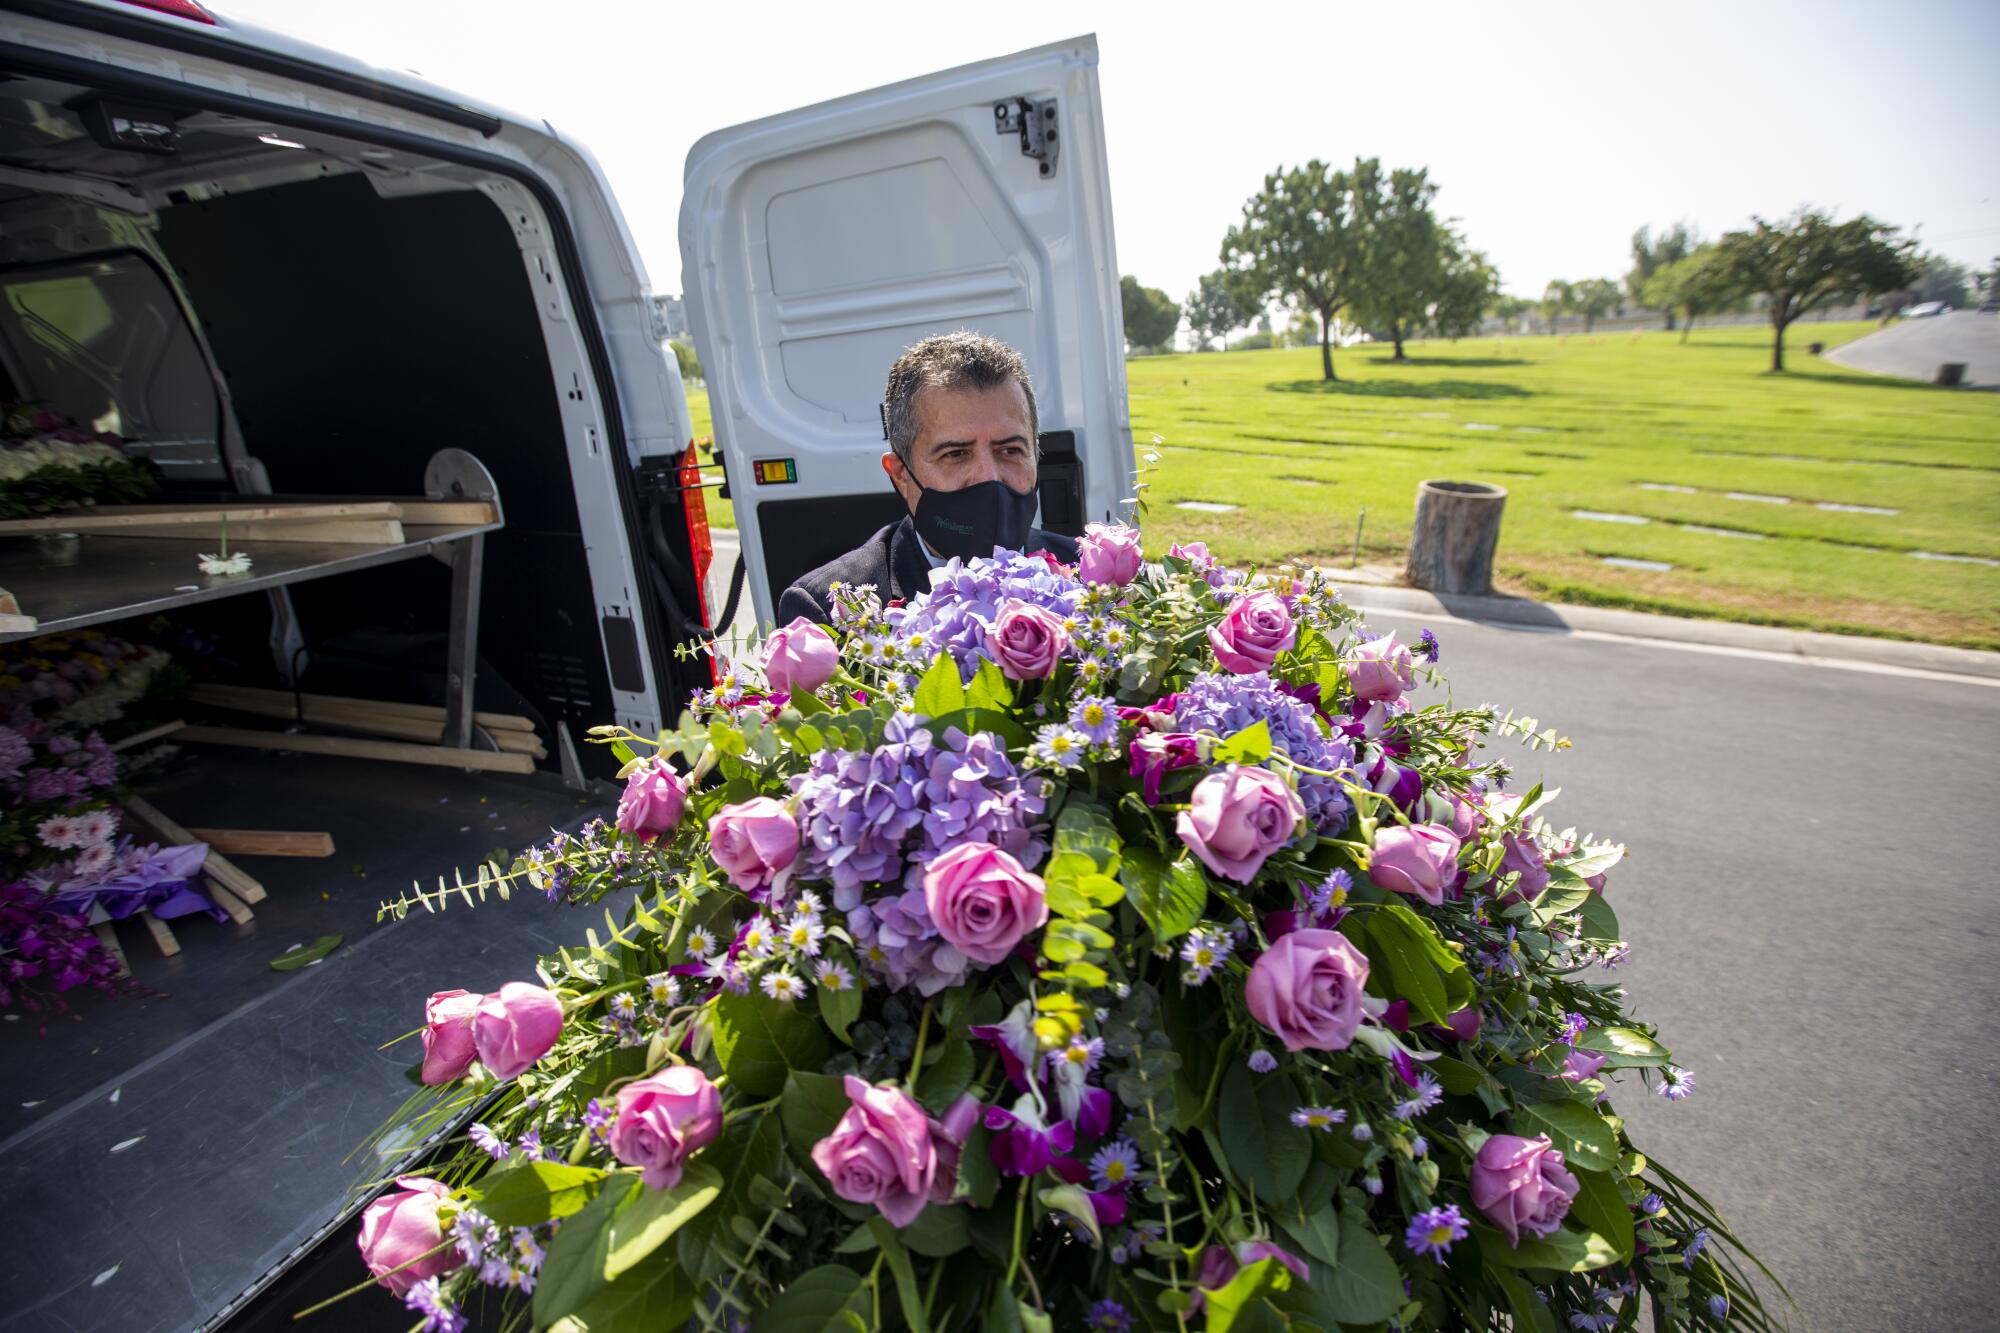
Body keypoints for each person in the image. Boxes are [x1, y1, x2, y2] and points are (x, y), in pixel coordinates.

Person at [776, 332, 1079, 625]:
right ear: (901, 475)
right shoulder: (829, 612)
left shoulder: (1090, 576)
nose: (990, 476)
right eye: (956, 454)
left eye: (1010, 450)